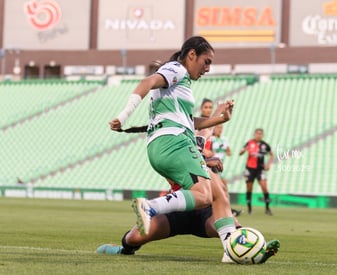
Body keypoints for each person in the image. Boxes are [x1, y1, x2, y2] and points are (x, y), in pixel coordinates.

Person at [109, 36, 236, 255]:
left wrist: (219, 119)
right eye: (207, 61)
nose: (208, 68)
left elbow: (188, 121)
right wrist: (124, 115)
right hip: (173, 142)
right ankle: (150, 207)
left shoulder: (179, 83)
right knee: (205, 195)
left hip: (163, 145)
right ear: (192, 54)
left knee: (216, 192)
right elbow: (146, 83)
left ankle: (231, 250)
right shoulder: (176, 70)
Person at [96, 164, 280, 264]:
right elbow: (172, 172)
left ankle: (254, 250)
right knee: (134, 237)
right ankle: (125, 249)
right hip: (176, 212)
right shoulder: (171, 149)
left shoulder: (201, 144)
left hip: (204, 213)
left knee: (229, 226)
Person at [205, 124, 242, 217]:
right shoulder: (211, 139)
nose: (220, 129)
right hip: (212, 167)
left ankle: (226, 210)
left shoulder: (224, 139)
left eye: (221, 128)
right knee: (222, 188)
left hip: (220, 167)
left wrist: (226, 151)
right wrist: (211, 153)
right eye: (218, 127)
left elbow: (229, 152)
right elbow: (206, 151)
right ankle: (226, 210)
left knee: (223, 188)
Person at [239, 128, 274, 215]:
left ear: (262, 135)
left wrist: (268, 164)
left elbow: (271, 154)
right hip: (250, 169)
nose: (258, 135)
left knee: (264, 187)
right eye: (257, 133)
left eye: (260, 134)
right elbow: (240, 152)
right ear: (254, 134)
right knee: (249, 188)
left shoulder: (265, 145)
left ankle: (267, 208)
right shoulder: (249, 143)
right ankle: (250, 209)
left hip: (260, 169)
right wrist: (243, 150)